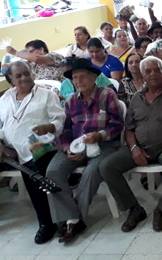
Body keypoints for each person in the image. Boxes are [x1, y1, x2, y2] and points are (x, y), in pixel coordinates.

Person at [100, 57, 162, 232]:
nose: (153, 74)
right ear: (141, 75)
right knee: (107, 166)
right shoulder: (137, 98)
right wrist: (134, 148)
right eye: (148, 71)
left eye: (157, 70)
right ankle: (134, 209)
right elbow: (129, 129)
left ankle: (161, 209)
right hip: (140, 148)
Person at [46, 58, 124, 242]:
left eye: (82, 77)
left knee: (91, 171)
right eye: (74, 78)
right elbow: (64, 130)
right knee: (52, 171)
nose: (78, 81)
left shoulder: (107, 95)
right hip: (76, 145)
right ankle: (71, 215)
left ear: (94, 77)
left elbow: (118, 124)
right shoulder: (71, 101)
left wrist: (99, 135)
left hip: (103, 145)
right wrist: (66, 149)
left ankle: (72, 221)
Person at [0, 62, 65, 244]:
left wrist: (49, 126)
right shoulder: (5, 98)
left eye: (26, 74)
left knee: (32, 168)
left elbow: (59, 119)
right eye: (18, 76)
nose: (24, 78)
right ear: (11, 80)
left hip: (39, 145)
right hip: (8, 148)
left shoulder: (46, 95)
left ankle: (46, 223)